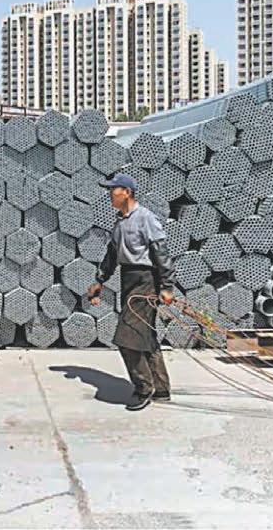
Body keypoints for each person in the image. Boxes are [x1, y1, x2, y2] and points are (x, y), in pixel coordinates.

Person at [87, 172, 174, 411]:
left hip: (146, 281)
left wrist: (166, 286)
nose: (110, 194)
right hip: (129, 279)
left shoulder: (146, 218)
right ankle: (161, 388)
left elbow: (161, 253)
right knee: (144, 335)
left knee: (128, 337)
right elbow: (112, 255)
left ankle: (144, 388)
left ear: (126, 192)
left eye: (113, 189)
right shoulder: (120, 222)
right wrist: (100, 281)